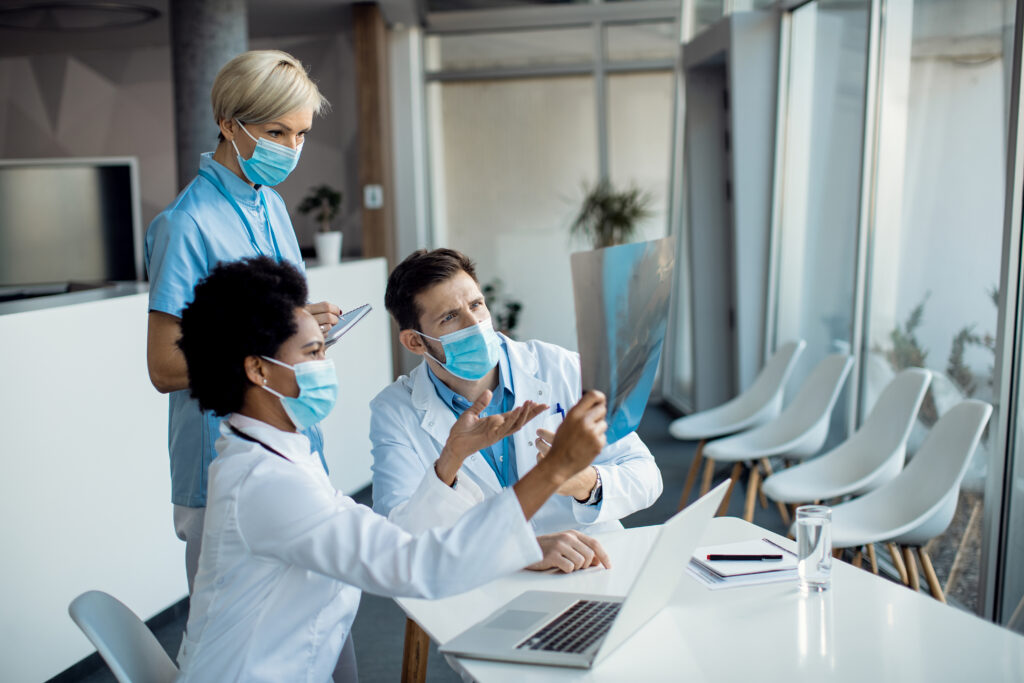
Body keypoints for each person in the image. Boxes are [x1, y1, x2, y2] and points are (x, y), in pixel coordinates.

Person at [174, 256, 609, 682]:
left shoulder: (271, 454)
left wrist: (450, 458)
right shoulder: (267, 483)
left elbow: (397, 535)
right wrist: (553, 472)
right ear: (258, 370)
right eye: (313, 352)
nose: (326, 365)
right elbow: (421, 567)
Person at [144, 50, 341, 593]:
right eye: (277, 132)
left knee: (320, 624)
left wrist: (302, 325)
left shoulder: (270, 205)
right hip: (223, 458)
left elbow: (270, 326)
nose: (292, 149)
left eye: (301, 134)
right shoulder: (185, 226)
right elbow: (163, 367)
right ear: (230, 125)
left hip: (292, 443)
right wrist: (270, 340)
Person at [370, 248, 663, 573]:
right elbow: (399, 540)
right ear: (414, 342)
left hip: (588, 566)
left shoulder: (561, 368)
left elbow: (647, 475)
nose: (475, 324)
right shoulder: (395, 410)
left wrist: (585, 483)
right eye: (450, 317)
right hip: (482, 584)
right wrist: (450, 460)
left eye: (476, 305)